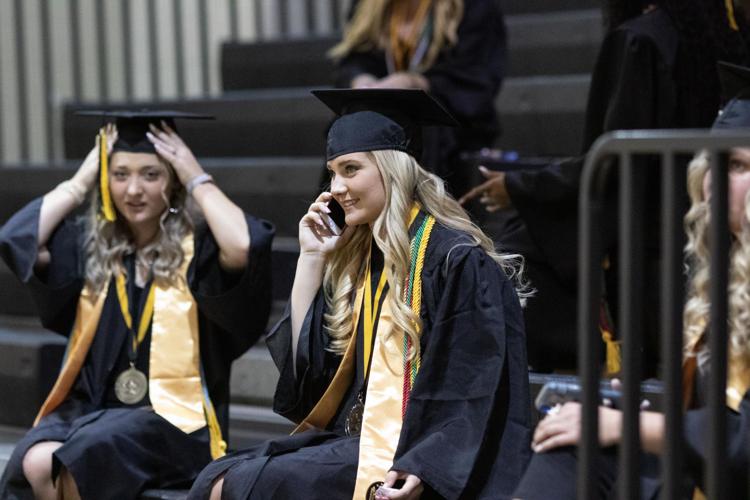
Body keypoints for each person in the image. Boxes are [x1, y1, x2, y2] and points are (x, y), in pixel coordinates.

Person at [188, 89, 531, 500]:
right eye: (332, 172)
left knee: (240, 486)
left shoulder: (456, 259)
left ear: (393, 170)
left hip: (422, 459)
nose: (335, 187)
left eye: (351, 169)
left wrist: (422, 466)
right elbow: (311, 379)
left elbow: (471, 384)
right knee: (216, 476)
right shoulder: (363, 256)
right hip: (357, 441)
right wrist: (311, 259)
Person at [459, 0, 750, 373]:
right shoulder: (724, 37)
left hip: (645, 256)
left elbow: (611, 164)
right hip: (705, 239)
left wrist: (519, 187)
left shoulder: (639, 40)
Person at [0, 111, 274, 500]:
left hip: (172, 421)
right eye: (120, 174)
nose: (133, 190)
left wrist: (194, 175)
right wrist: (80, 182)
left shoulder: (198, 251)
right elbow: (17, 238)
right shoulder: (93, 249)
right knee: (35, 460)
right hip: (92, 409)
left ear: (172, 181)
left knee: (85, 454)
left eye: (151, 174)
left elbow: (245, 244)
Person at [512, 61, 750, 500]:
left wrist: (633, 424)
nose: (714, 179)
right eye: (713, 162)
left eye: (735, 164)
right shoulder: (727, 274)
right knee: (571, 442)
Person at [329, 0, 507, 195]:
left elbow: (476, 79)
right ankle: (341, 217)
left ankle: (423, 214)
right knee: (351, 119)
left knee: (422, 120)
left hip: (451, 123)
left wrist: (413, 82)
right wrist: (361, 79)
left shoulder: (473, 6)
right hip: (380, 111)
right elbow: (353, 59)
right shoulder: (366, 5)